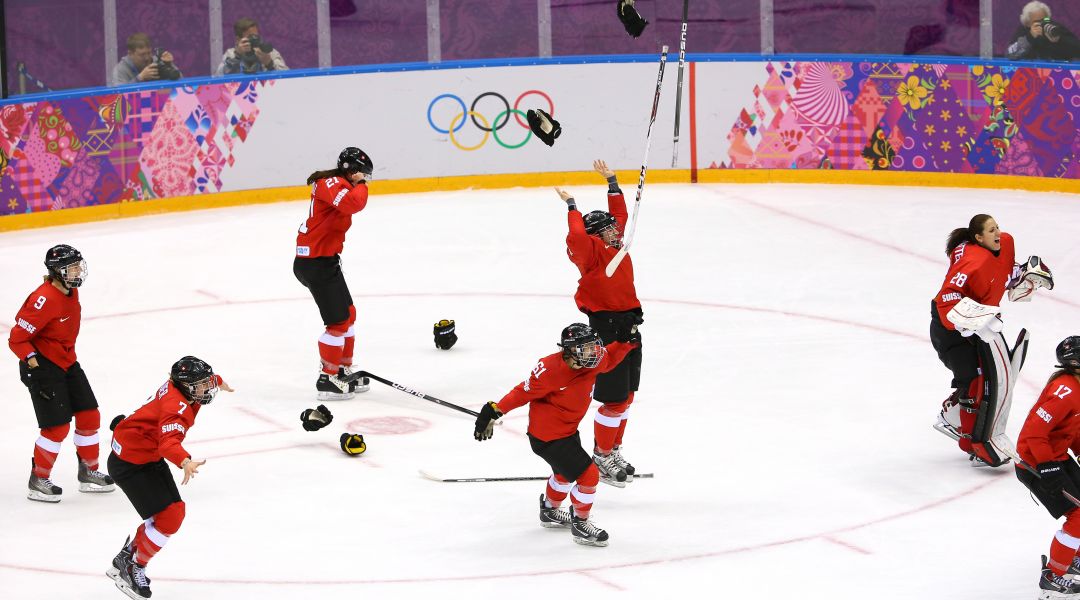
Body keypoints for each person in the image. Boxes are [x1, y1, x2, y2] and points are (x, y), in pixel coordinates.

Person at [473, 323, 637, 546]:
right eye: (586, 348)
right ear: (569, 350)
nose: (593, 352)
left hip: (567, 431)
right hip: (548, 438)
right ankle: (581, 523)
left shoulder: (592, 363)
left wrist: (626, 341)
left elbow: (610, 359)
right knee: (589, 475)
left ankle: (550, 511)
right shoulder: (550, 369)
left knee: (563, 474)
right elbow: (523, 391)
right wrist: (495, 409)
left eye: (593, 346)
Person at [106, 356, 233, 599]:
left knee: (173, 514)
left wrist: (218, 381)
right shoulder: (177, 407)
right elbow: (168, 443)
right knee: (170, 518)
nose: (207, 388)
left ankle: (128, 558)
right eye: (202, 384)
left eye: (207, 381)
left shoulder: (181, 386)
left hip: (142, 453)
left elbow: (200, 383)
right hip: (131, 464)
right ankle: (134, 566)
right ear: (186, 386)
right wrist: (184, 460)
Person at [931, 214, 1053, 465]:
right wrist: (962, 319)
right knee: (976, 380)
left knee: (996, 377)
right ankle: (968, 438)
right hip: (951, 328)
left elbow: (1004, 274)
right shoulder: (971, 262)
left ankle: (953, 412)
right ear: (978, 238)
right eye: (991, 230)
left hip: (983, 323)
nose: (998, 232)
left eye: (997, 227)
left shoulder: (1005, 243)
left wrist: (1023, 275)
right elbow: (947, 296)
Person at [554, 159, 644, 488]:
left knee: (627, 396)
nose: (615, 230)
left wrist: (613, 183)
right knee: (613, 398)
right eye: (607, 228)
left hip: (630, 324)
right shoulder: (589, 252)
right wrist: (572, 206)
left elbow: (620, 217)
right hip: (607, 329)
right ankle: (602, 454)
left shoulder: (611, 244)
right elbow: (577, 234)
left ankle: (613, 449)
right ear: (595, 236)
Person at [8, 244, 115, 502]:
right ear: (57, 272)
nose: (79, 271)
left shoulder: (70, 289)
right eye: (73, 267)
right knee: (57, 428)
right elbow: (16, 339)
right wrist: (34, 364)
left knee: (90, 415)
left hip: (67, 362)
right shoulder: (42, 299)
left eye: (79, 265)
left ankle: (89, 472)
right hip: (43, 366)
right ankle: (38, 480)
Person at [293, 147, 374, 400]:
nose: (364, 181)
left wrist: (359, 183)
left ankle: (342, 369)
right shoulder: (332, 183)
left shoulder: (340, 183)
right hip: (313, 263)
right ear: (352, 171)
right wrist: (362, 185)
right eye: (362, 175)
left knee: (348, 315)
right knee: (337, 323)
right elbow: (353, 204)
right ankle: (327, 379)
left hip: (325, 261)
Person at [1015, 336, 1080, 597]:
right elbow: (1034, 432)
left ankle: (1073, 556)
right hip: (1036, 462)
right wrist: (1047, 468)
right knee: (1079, 517)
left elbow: (1072, 428)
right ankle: (1054, 576)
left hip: (1056, 457)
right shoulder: (1065, 391)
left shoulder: (1076, 387)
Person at [1006, 1, 1080, 61]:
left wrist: (1059, 40)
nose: (1042, 23)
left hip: (1057, 74)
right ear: (1027, 23)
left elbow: (1077, 50)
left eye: (1045, 20)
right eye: (1037, 21)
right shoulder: (1023, 30)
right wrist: (1029, 38)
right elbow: (1010, 55)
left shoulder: (1055, 27)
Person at [215, 18, 288, 75]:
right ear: (238, 39)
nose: (254, 39)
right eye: (250, 37)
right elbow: (218, 78)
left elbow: (288, 77)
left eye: (256, 36)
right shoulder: (231, 54)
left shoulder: (268, 53)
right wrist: (237, 57)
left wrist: (270, 64)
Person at [111, 33, 182, 86]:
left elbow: (182, 82)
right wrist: (139, 78)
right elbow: (118, 97)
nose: (147, 58)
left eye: (149, 53)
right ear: (130, 54)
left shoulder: (157, 61)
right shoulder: (120, 70)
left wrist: (169, 65)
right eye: (142, 55)